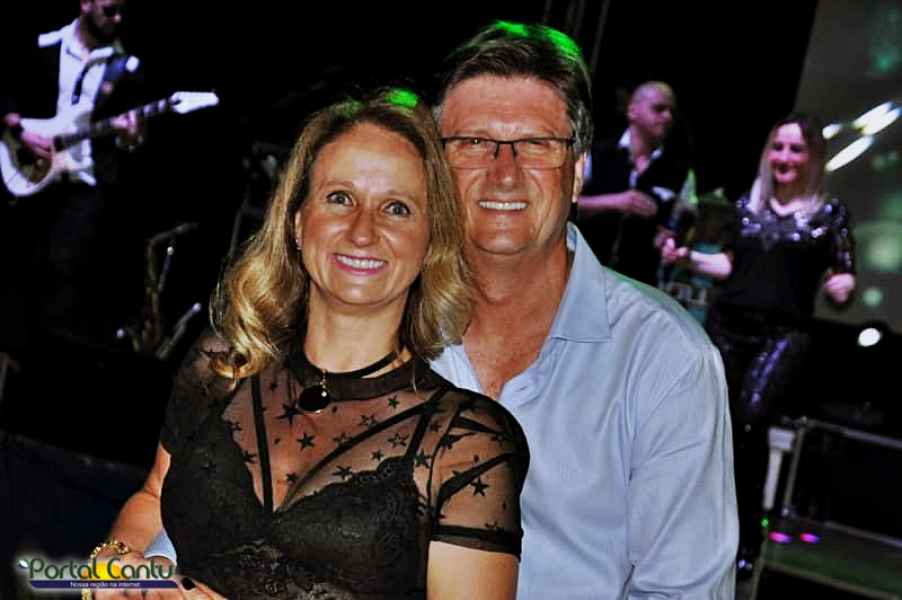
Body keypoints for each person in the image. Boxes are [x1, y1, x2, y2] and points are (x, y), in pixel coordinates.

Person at [149, 21, 737, 598]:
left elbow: (684, 591)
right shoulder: (365, 312)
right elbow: (200, 521)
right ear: (435, 167)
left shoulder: (664, 360)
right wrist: (131, 578)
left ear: (579, 169)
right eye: (474, 142)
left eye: (536, 144)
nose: (503, 173)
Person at [91, 89, 529, 599]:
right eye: (340, 198)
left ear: (431, 242)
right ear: (298, 222)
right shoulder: (225, 364)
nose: (362, 231)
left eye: (396, 208)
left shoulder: (466, 443)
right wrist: (115, 567)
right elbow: (152, 498)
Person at [661, 113, 856, 578]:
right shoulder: (747, 207)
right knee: (714, 426)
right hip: (729, 326)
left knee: (750, 421)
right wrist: (687, 257)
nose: (785, 157)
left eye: (796, 149)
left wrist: (843, 285)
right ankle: (699, 530)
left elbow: (843, 271)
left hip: (782, 335)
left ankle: (747, 536)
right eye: (778, 147)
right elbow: (730, 267)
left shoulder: (828, 216)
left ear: (812, 157)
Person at [0, 0, 145, 353]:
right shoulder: (44, 44)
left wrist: (130, 137)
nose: (117, 19)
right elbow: (4, 91)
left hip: (83, 186)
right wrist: (18, 129)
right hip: (30, 173)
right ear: (86, 3)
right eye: (109, 10)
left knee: (60, 282)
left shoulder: (125, 66)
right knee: (14, 277)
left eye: (122, 11)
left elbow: (131, 139)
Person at [577, 81, 692, 285]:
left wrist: (670, 238)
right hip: (584, 272)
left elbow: (683, 222)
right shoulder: (598, 153)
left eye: (671, 112)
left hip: (638, 282)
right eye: (659, 109)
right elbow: (565, 206)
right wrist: (614, 202)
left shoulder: (679, 171)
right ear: (633, 111)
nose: (668, 117)